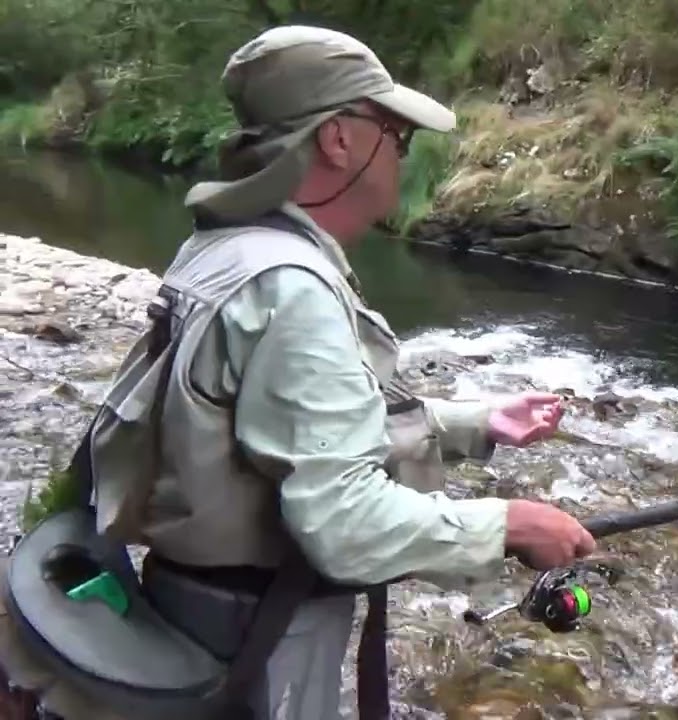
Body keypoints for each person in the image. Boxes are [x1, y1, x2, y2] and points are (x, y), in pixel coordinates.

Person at [0, 24, 595, 720]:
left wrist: (473, 422)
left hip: (186, 606)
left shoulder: (227, 250)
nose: (402, 156)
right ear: (339, 139)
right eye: (395, 135)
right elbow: (344, 524)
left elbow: (268, 424)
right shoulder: (292, 289)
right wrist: (509, 526)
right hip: (258, 636)